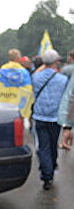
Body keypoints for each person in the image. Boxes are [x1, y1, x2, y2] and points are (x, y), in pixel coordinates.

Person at [31, 49, 68, 190]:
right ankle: (51, 168)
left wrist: (44, 66)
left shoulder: (35, 77)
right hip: (55, 117)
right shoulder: (62, 79)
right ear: (56, 62)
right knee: (53, 145)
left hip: (40, 116)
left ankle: (47, 176)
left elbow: (37, 74)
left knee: (43, 146)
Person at [0, 49, 32, 115]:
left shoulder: (2, 71)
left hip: (3, 108)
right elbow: (28, 90)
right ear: (18, 58)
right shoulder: (24, 73)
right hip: (18, 109)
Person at [58, 49, 74, 149]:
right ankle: (69, 140)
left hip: (70, 98)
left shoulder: (67, 69)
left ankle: (64, 142)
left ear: (71, 57)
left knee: (67, 122)